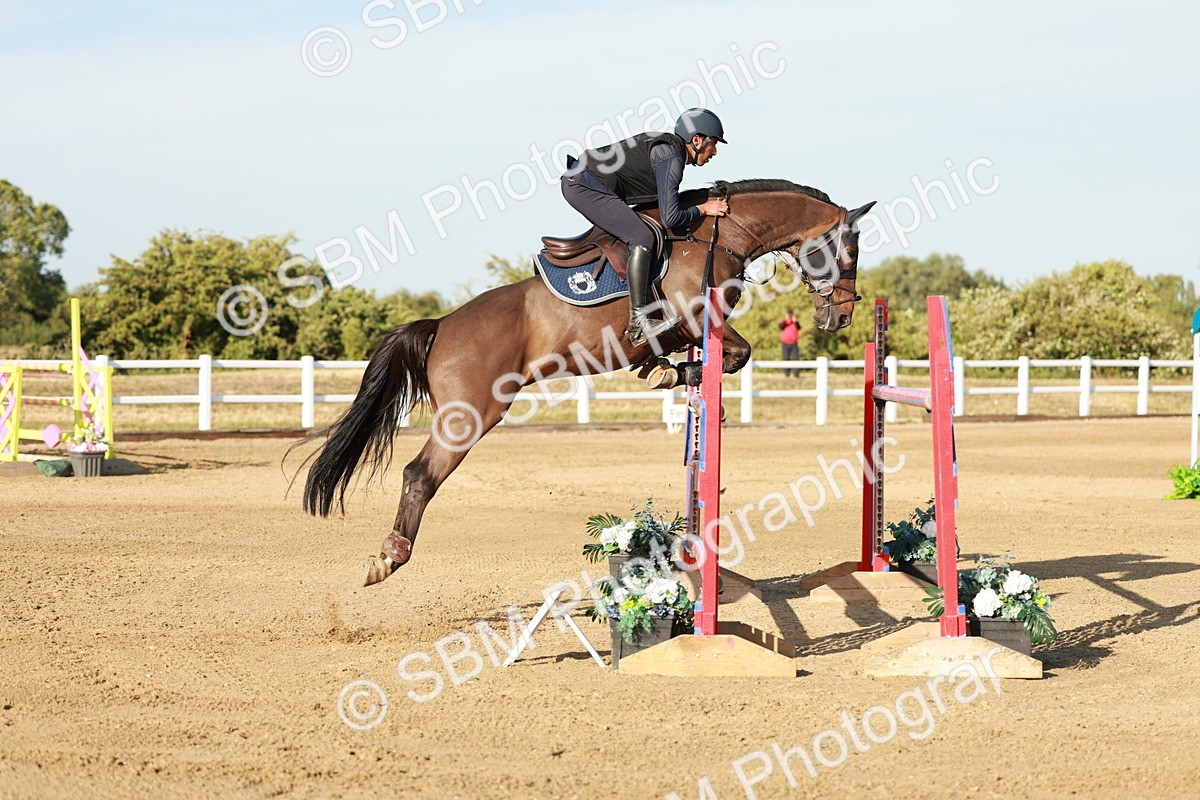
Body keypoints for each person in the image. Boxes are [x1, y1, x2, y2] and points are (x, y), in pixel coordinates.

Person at [561, 108, 730, 346]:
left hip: (587, 182)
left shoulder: (669, 151)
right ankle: (639, 322)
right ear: (697, 140)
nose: (715, 151)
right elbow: (671, 217)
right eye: (713, 144)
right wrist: (703, 209)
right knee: (642, 236)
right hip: (584, 186)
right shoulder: (671, 158)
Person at [779, 308, 800, 377]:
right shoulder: (784, 322)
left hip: (794, 343)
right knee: (785, 358)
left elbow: (799, 327)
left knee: (795, 358)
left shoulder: (795, 322)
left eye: (791, 313)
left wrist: (795, 321)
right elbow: (781, 327)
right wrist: (787, 320)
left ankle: (796, 374)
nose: (790, 315)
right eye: (788, 313)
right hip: (785, 343)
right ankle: (787, 374)